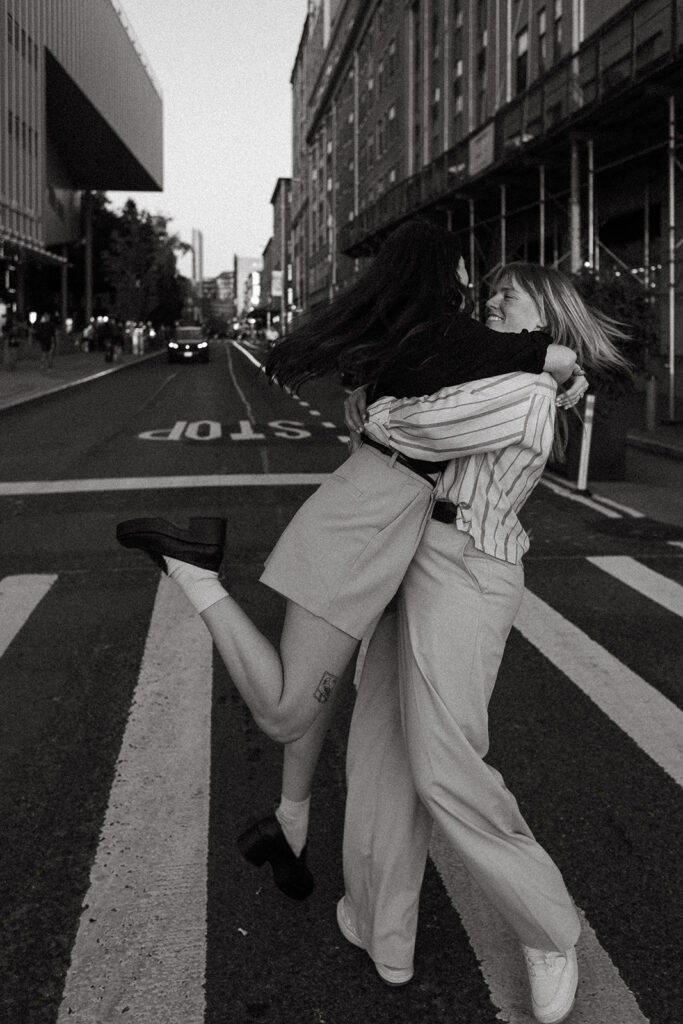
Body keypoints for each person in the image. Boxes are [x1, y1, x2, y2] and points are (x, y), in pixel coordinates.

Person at [115, 221, 580, 894]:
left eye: (501, 292)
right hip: (364, 524)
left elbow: (487, 364)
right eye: (469, 273)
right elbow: (495, 365)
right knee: (286, 710)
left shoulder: (430, 341)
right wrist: (553, 361)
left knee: (321, 682)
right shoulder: (443, 336)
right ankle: (192, 569)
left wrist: (554, 366)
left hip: (375, 522)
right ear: (443, 271)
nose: (478, 291)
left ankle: (291, 821)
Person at [255, 263, 630, 1022]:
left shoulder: (526, 389)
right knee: (379, 752)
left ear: (545, 315)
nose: (489, 302)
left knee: (444, 764)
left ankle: (547, 928)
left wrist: (384, 408)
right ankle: (380, 928)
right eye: (487, 292)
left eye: (507, 296)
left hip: (466, 571)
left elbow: (412, 425)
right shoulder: (502, 370)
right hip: (408, 553)